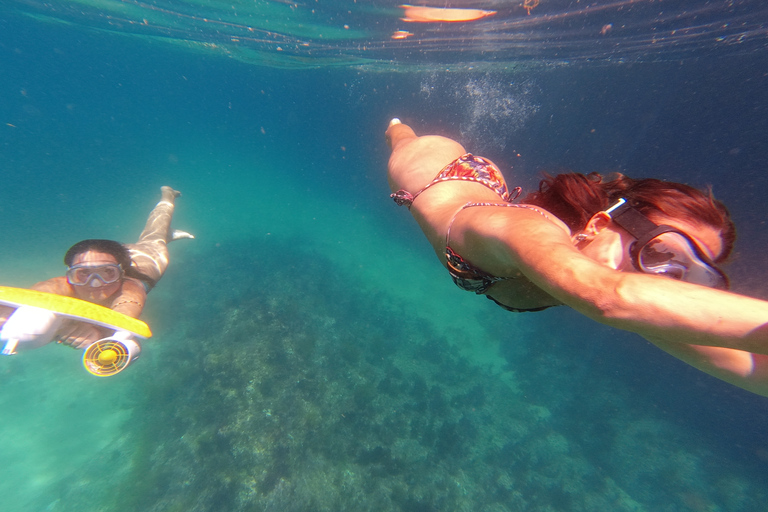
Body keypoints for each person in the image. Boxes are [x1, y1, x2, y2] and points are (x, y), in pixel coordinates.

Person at [385, 118, 768, 397]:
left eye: (693, 278)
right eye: (666, 253)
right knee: (403, 139)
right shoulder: (524, 230)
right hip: (437, 174)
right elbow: (608, 296)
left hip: (491, 196)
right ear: (601, 223)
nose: (668, 279)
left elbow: (748, 365)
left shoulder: (640, 296)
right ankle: (396, 123)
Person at [0, 186, 193, 349]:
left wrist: (101, 331)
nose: (95, 283)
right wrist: (9, 313)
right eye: (83, 274)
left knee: (154, 236)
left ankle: (168, 196)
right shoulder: (64, 284)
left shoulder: (130, 287)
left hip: (146, 254)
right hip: (114, 254)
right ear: (70, 274)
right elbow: (42, 292)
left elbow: (127, 308)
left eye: (107, 273)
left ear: (121, 274)